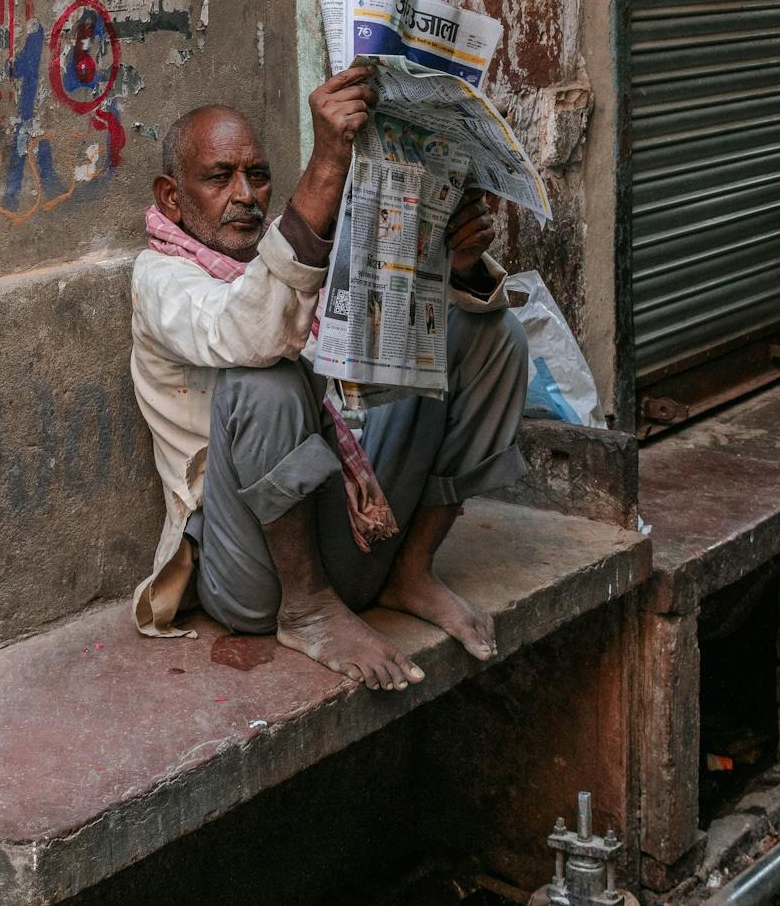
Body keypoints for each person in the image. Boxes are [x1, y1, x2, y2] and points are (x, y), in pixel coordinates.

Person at [130, 69, 528, 691]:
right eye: (219, 177)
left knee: (489, 334)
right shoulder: (158, 278)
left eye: (258, 176)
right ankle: (309, 608)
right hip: (253, 578)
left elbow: (375, 345)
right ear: (172, 197)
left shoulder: (284, 256)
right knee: (264, 382)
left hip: (347, 528)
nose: (245, 195)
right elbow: (250, 336)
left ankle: (412, 570)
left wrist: (451, 265)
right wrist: (326, 162)